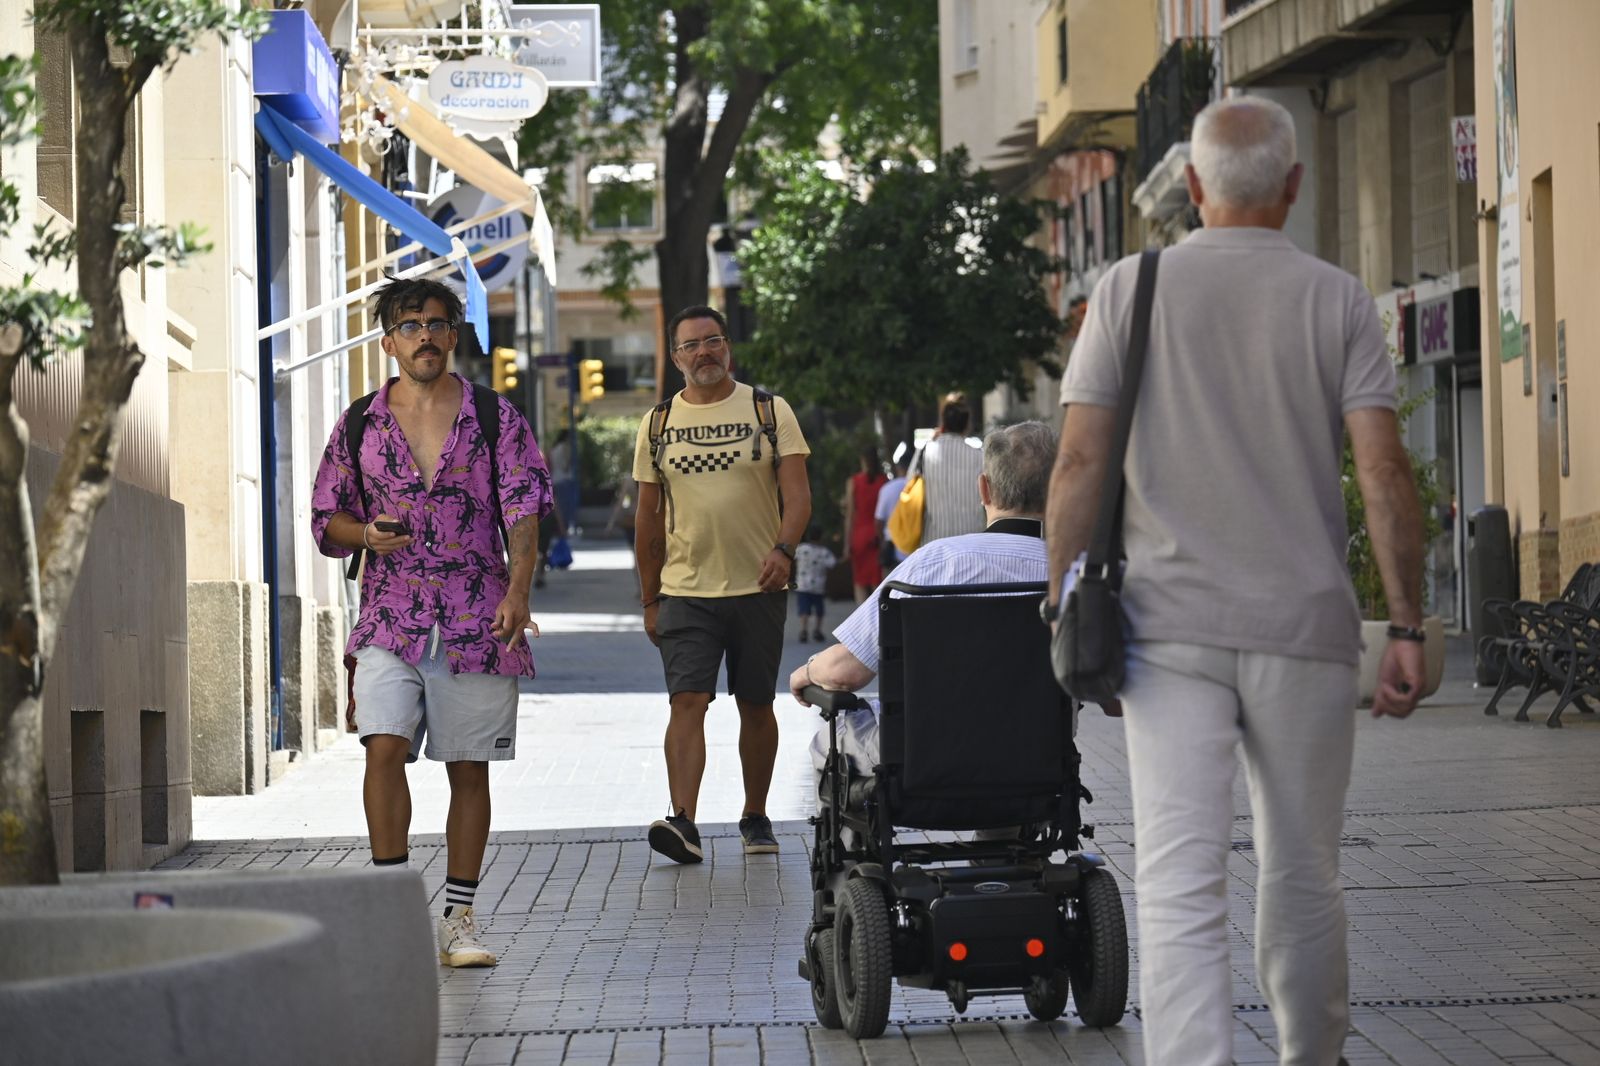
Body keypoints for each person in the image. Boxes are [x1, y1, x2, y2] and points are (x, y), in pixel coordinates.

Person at [1043, 97, 1424, 1066]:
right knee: (1303, 869)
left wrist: (1057, 599)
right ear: (1292, 187)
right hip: (1304, 628)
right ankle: (1311, 1054)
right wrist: (1409, 625)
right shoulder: (1336, 297)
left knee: (1178, 880)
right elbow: (1381, 471)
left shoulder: (1130, 287)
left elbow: (1079, 462)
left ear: (1195, 187)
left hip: (1165, 633)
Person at [311, 276, 553, 968]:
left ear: (455, 335)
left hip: (480, 615)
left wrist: (519, 588)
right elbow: (326, 519)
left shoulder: (494, 415)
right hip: (390, 614)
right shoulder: (358, 422)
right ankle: (393, 911)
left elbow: (524, 508)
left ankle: (459, 918)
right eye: (410, 324)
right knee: (382, 747)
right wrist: (366, 535)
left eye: (437, 323)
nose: (425, 335)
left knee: (466, 766)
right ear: (389, 341)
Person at [633, 305, 812, 863]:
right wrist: (649, 596)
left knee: (756, 702)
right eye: (691, 345)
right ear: (675, 357)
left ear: (728, 346)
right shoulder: (657, 423)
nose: (704, 353)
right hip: (686, 588)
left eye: (713, 341)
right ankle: (683, 820)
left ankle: (755, 816)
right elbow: (646, 516)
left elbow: (799, 495)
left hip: (758, 587)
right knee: (686, 701)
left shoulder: (768, 409)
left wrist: (784, 550)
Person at [793, 422, 1063, 770]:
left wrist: (807, 671)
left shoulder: (934, 564)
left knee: (825, 742)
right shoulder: (1075, 572)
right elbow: (1114, 697)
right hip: (1037, 759)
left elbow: (846, 672)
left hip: (926, 757)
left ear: (984, 489)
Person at [916, 393, 985, 544]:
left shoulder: (925, 452)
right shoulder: (980, 456)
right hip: (972, 540)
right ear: (967, 424)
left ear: (943, 423)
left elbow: (909, 485)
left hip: (934, 542)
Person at [841, 446, 888, 602]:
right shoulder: (884, 481)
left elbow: (850, 514)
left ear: (863, 461)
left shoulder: (853, 482)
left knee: (860, 582)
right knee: (877, 580)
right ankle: (878, 618)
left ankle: (862, 620)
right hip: (877, 534)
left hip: (859, 534)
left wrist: (847, 544)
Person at [793, 526, 837, 644]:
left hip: (802, 585)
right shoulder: (824, 552)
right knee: (819, 610)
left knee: (804, 609)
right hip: (818, 586)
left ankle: (803, 630)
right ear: (821, 537)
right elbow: (832, 563)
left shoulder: (801, 548)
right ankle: (817, 630)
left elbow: (792, 557)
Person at [874, 448, 910, 572]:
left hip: (892, 548)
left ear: (899, 467)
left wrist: (883, 542)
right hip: (917, 548)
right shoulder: (923, 488)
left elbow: (878, 522)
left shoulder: (887, 489)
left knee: (890, 589)